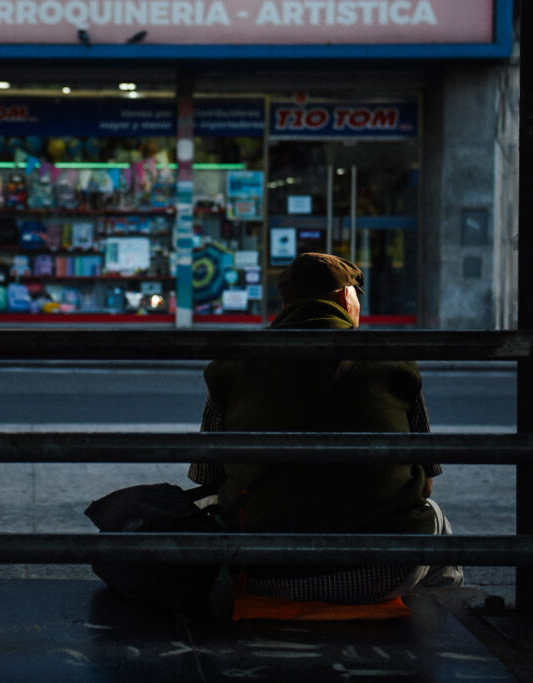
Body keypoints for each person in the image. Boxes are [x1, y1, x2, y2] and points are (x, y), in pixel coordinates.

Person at [189, 252, 462, 605]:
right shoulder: (394, 360)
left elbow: (207, 477)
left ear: (286, 303)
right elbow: (425, 485)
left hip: (260, 573)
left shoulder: (230, 365)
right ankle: (448, 612)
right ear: (345, 296)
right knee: (435, 518)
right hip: (383, 573)